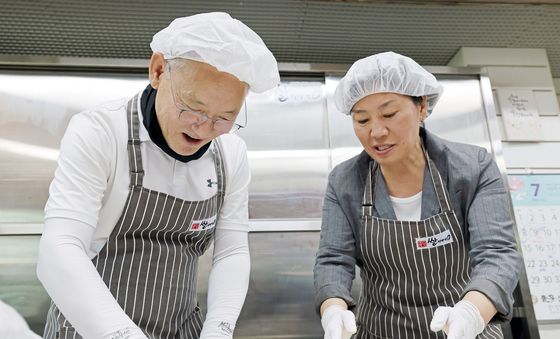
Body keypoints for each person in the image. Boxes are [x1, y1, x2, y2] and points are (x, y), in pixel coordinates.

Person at [36, 12, 279, 339]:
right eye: (193, 107)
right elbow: (59, 248)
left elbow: (232, 252)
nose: (205, 128)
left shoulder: (230, 154)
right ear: (159, 71)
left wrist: (219, 329)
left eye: (224, 118)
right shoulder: (101, 132)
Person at [313, 52, 521, 339]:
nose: (377, 131)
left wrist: (472, 314)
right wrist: (333, 309)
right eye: (362, 120)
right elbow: (334, 259)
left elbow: (497, 254)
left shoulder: (473, 168)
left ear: (422, 106)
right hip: (382, 331)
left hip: (468, 325)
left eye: (389, 114)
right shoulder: (345, 181)